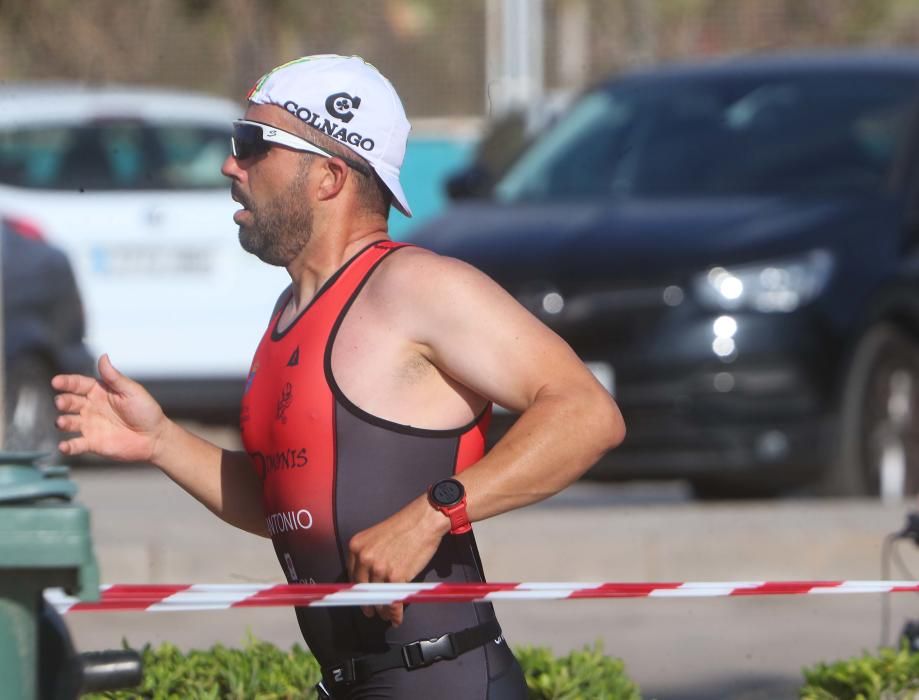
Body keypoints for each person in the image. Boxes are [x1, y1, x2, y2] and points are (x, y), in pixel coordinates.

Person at [52, 54, 625, 699]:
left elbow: (587, 413)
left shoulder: (416, 287)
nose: (228, 165)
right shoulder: (289, 314)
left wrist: (435, 515)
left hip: (446, 682)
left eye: (252, 145)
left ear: (327, 176)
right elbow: (290, 509)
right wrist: (160, 440)